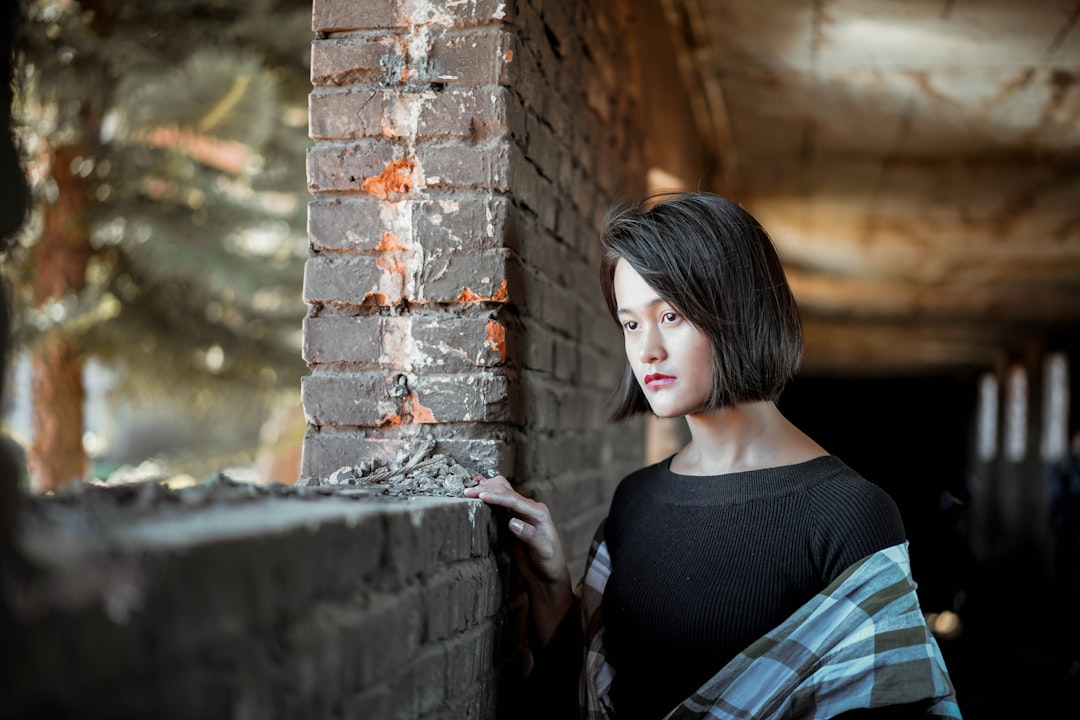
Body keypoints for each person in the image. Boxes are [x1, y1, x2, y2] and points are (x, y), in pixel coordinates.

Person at [464, 192, 961, 719]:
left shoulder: (852, 515)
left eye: (671, 315)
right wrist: (550, 585)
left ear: (738, 310)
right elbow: (592, 696)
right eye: (631, 323)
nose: (646, 350)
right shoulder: (634, 501)